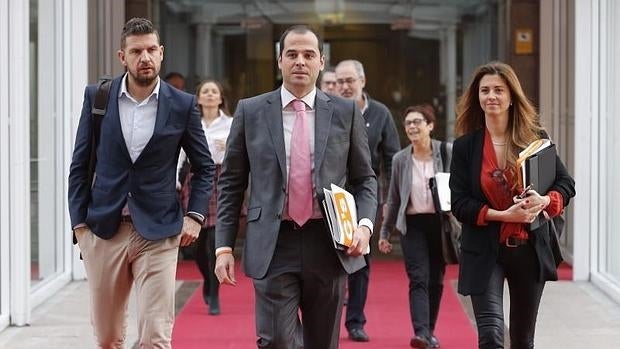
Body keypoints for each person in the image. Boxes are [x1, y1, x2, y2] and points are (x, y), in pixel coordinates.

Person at [214, 25, 378, 349]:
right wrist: (223, 247)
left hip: (329, 242)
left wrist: (365, 226)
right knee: (275, 340)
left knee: (322, 342)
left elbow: (365, 179)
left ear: (321, 61)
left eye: (308, 55)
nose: (300, 61)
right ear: (279, 61)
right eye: (292, 54)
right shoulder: (251, 111)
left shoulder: (345, 112)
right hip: (274, 242)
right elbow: (231, 183)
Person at [68, 17, 215, 348]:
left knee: (155, 336)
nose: (145, 57)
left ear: (161, 53)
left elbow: (204, 167)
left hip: (159, 231)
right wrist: (79, 226)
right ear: (123, 57)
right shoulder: (98, 98)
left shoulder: (182, 104)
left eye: (151, 50)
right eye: (136, 51)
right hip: (105, 231)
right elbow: (79, 166)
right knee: (108, 338)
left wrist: (195, 215)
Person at [450, 61, 575, 348]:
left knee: (522, 339)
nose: (491, 96)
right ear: (476, 97)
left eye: (498, 90)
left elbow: (566, 184)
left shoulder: (535, 139)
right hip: (483, 249)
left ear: (511, 96)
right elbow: (459, 204)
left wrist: (545, 200)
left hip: (529, 249)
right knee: (492, 333)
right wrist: (503, 214)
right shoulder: (465, 146)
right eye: (484, 90)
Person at [335, 59, 400, 342]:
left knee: (360, 259)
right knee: (329, 262)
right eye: (340, 82)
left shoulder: (381, 113)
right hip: (332, 197)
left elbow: (392, 159)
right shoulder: (329, 109)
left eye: (350, 81)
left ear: (363, 81)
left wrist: (388, 201)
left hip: (365, 196)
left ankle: (355, 321)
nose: (345, 86)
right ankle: (327, 318)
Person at [378, 104, 449, 349]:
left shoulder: (446, 153)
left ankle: (429, 331)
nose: (412, 126)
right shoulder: (401, 159)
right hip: (413, 225)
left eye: (417, 122)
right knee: (418, 278)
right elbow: (394, 198)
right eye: (408, 123)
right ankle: (421, 333)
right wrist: (385, 232)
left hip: (441, 224)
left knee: (436, 280)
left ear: (430, 125)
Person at [177, 79, 232, 315]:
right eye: (205, 92)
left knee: (213, 241)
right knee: (198, 245)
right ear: (198, 98)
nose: (210, 95)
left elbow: (241, 154)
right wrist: (176, 180)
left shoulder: (231, 123)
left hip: (221, 179)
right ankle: (208, 281)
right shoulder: (190, 122)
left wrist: (226, 147)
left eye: (214, 91)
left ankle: (215, 294)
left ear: (220, 98)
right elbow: (179, 152)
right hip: (196, 178)